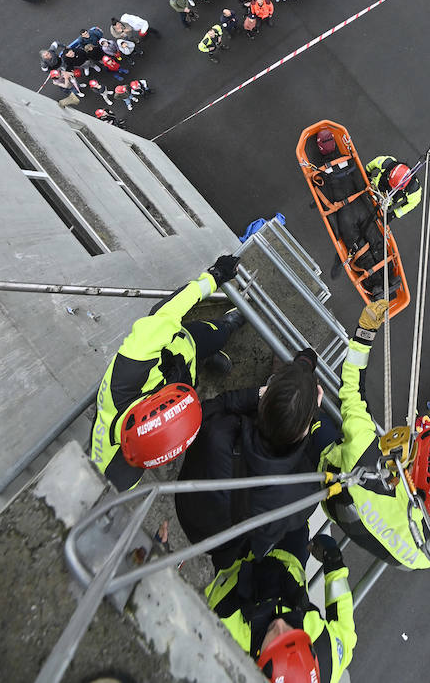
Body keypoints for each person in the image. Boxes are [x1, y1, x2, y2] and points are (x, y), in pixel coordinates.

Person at [319, 300, 430, 567]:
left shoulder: (366, 457)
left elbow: (352, 391)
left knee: (315, 419)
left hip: (328, 468)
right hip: (340, 512)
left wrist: (364, 334)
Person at [90, 255, 244, 490]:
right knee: (198, 366)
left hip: (178, 346)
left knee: (217, 333)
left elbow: (166, 311)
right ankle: (206, 356)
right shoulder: (123, 475)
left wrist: (215, 276)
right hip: (182, 375)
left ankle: (225, 327)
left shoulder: (134, 363)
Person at [176, 348, 334, 569]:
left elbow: (216, 405)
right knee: (328, 435)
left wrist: (259, 395)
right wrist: (303, 422)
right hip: (215, 544)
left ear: (264, 399)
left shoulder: (216, 434)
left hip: (186, 506)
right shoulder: (297, 498)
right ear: (307, 427)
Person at [205, 531, 356, 682]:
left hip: (236, 557)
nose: (280, 623)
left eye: (275, 640)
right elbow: (345, 631)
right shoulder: (327, 656)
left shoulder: (223, 633)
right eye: (293, 634)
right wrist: (333, 561)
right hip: (289, 558)